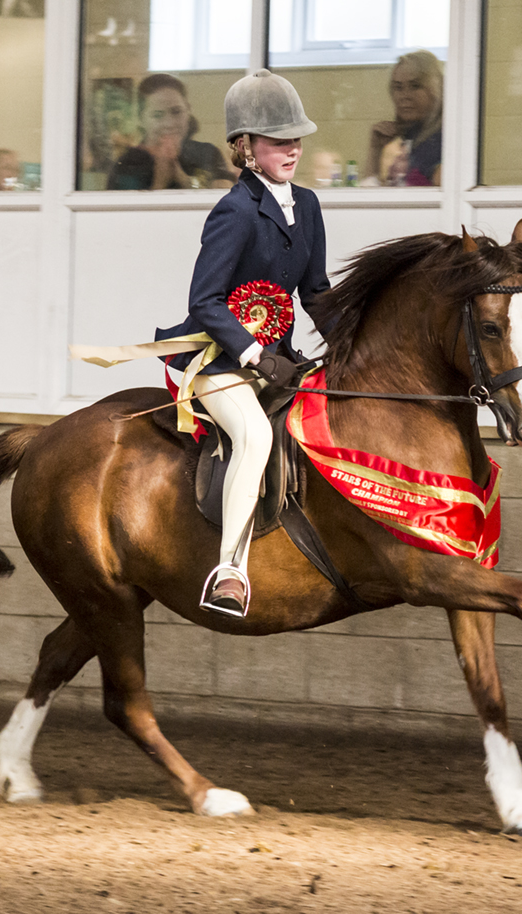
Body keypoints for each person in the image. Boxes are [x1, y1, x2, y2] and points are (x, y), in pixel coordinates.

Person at [155, 69, 329, 615]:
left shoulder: (309, 205)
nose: (292, 148)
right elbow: (205, 300)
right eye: (279, 139)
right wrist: (253, 353)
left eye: (296, 138)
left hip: (277, 358)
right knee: (253, 434)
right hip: (219, 358)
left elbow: (316, 292)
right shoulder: (233, 210)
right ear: (246, 148)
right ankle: (229, 568)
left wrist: (356, 338)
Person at [108, 73, 236, 190]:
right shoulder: (127, 165)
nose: (169, 123)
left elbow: (224, 202)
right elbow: (124, 213)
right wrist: (160, 181)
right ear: (141, 118)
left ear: (188, 110)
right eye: (157, 115)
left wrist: (183, 179)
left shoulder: (208, 154)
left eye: (176, 112)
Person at [366, 50, 444, 187]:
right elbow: (366, 197)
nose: (405, 96)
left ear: (435, 89)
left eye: (415, 86)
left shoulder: (440, 142)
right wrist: (375, 149)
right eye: (398, 87)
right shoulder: (412, 139)